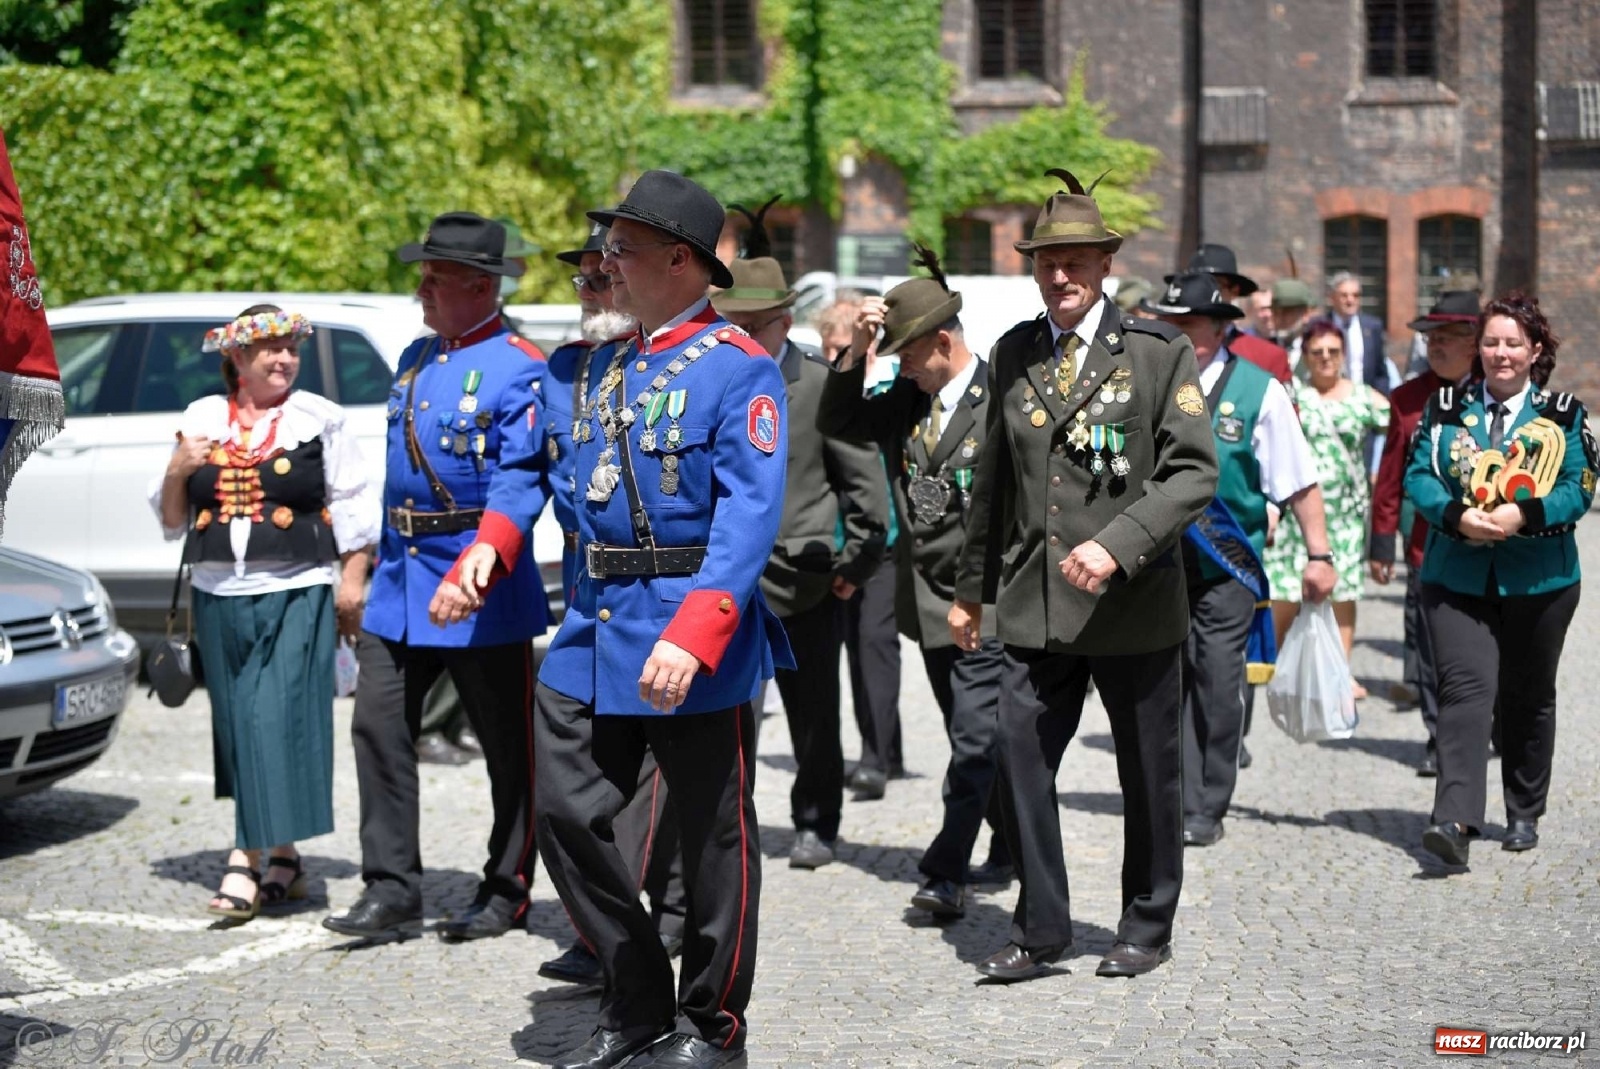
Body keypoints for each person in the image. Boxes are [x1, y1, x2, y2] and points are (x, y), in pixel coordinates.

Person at [530, 170, 791, 1069]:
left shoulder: (739, 370)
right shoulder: (606, 366)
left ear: (680, 260)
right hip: (595, 625)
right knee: (564, 809)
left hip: (689, 630)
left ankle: (715, 1024)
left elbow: (747, 518)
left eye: (623, 250)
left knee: (715, 838)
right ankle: (636, 990)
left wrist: (696, 629)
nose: (606, 264)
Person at [949, 168, 1220, 982]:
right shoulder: (1014, 351)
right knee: (1016, 753)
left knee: (1148, 773)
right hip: (1037, 604)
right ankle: (1042, 929)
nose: (1060, 275)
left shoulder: (1155, 352)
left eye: (1075, 260)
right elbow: (992, 482)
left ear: (1104, 264)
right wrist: (971, 590)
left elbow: (1191, 473)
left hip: (1133, 602)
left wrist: (1117, 542)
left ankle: (1146, 921)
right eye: (1046, 261)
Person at [322, 212, 552, 945]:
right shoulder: (417, 356)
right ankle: (391, 885)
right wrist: (360, 566)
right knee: (377, 724)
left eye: (434, 278)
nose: (420, 290)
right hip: (400, 581)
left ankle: (508, 884)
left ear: (480, 285)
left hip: (478, 585)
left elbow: (519, 481)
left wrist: (482, 560)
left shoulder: (521, 366)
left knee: (508, 747)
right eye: (421, 276)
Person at [152, 304, 377, 921]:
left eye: (290, 348)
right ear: (237, 359)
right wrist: (178, 470)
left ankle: (242, 859)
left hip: (295, 589)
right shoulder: (202, 418)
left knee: (269, 718)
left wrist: (350, 584)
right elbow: (173, 519)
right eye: (268, 349)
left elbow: (354, 506)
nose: (282, 359)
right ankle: (286, 857)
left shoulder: (317, 419)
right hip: (217, 593)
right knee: (240, 726)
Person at [818, 249, 1013, 921]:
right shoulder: (907, 399)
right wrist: (861, 346)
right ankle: (1012, 841)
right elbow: (836, 418)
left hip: (984, 599)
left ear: (943, 340)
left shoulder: (1002, 400)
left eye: (906, 351)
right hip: (928, 602)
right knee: (980, 737)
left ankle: (946, 869)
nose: (899, 364)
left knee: (974, 741)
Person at [531, 219, 686, 987]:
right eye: (584, 279)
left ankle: (627, 938)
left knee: (650, 773)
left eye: (604, 276)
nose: (593, 291)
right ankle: (610, 928)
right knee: (576, 775)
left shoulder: (664, 361)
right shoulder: (562, 369)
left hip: (657, 590)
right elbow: (538, 471)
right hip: (586, 586)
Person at [712, 201, 889, 871]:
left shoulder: (816, 384)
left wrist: (858, 556)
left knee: (813, 711)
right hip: (728, 577)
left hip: (806, 575)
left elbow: (861, 480)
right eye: (730, 324)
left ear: (784, 321)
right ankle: (732, 820)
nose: (739, 336)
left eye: (752, 326)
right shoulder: (713, 378)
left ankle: (816, 819)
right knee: (729, 715)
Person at [1142, 274, 1335, 848]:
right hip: (1155, 564)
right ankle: (1166, 796)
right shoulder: (1141, 383)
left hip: (1225, 566)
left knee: (1217, 680)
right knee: (1160, 683)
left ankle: (1206, 803)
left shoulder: (1258, 390)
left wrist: (1319, 553)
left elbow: (1298, 481)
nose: (1177, 335)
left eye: (1190, 326)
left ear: (1220, 328)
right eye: (1169, 324)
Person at [1408, 294, 1592, 867]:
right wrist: (1455, 515)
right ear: (1478, 349)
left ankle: (1522, 809)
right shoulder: (1443, 408)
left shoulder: (1562, 413)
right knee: (1464, 690)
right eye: (1491, 342)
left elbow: (1578, 485)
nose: (1501, 354)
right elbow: (1419, 474)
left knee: (1527, 696)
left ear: (1535, 351)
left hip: (1541, 580)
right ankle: (1455, 820)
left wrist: (1524, 513)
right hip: (1456, 574)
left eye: (1513, 343)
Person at [1369, 288, 1481, 776]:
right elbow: (1390, 475)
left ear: (1475, 341)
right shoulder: (1409, 398)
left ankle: (1485, 725)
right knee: (1432, 650)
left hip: (1495, 548)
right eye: (1431, 337)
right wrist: (1381, 541)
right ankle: (1440, 738)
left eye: (1449, 336)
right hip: (1426, 548)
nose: (1436, 345)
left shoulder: (1499, 394)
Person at [1263, 318, 1389, 699]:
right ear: (1305, 356)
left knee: (1343, 593)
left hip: (1345, 514)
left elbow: (1401, 429)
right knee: (1284, 587)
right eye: (1317, 352)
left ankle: (1339, 672)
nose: (1325, 359)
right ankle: (1278, 667)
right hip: (1296, 509)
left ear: (1343, 354)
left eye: (1333, 351)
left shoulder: (1362, 396)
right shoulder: (1291, 396)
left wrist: (1380, 481)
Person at [816, 294, 907, 801]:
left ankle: (877, 755)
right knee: (855, 651)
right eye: (833, 347)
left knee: (875, 647)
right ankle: (883, 748)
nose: (841, 355)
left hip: (885, 541)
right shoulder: (829, 393)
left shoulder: (891, 390)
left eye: (847, 346)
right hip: (839, 543)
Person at [1179, 243, 1292, 383]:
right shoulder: (1167, 348)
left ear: (1235, 290)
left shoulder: (1268, 357)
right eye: (1196, 285)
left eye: (1215, 284)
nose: (1204, 293)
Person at [1267, 278, 1315, 370]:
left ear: (1305, 314)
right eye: (1276, 312)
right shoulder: (1262, 350)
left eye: (1287, 311)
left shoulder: (1318, 350)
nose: (1280, 317)